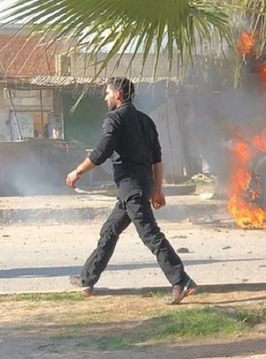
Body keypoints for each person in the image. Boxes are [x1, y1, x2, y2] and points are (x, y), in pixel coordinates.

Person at [65, 77, 196, 303]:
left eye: (107, 93)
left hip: (131, 188)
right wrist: (157, 190)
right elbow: (157, 160)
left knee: (151, 236)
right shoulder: (146, 121)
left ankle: (181, 280)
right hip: (138, 187)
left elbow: (101, 152)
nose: (105, 97)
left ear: (118, 95)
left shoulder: (114, 118)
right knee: (109, 231)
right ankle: (87, 279)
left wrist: (77, 172)